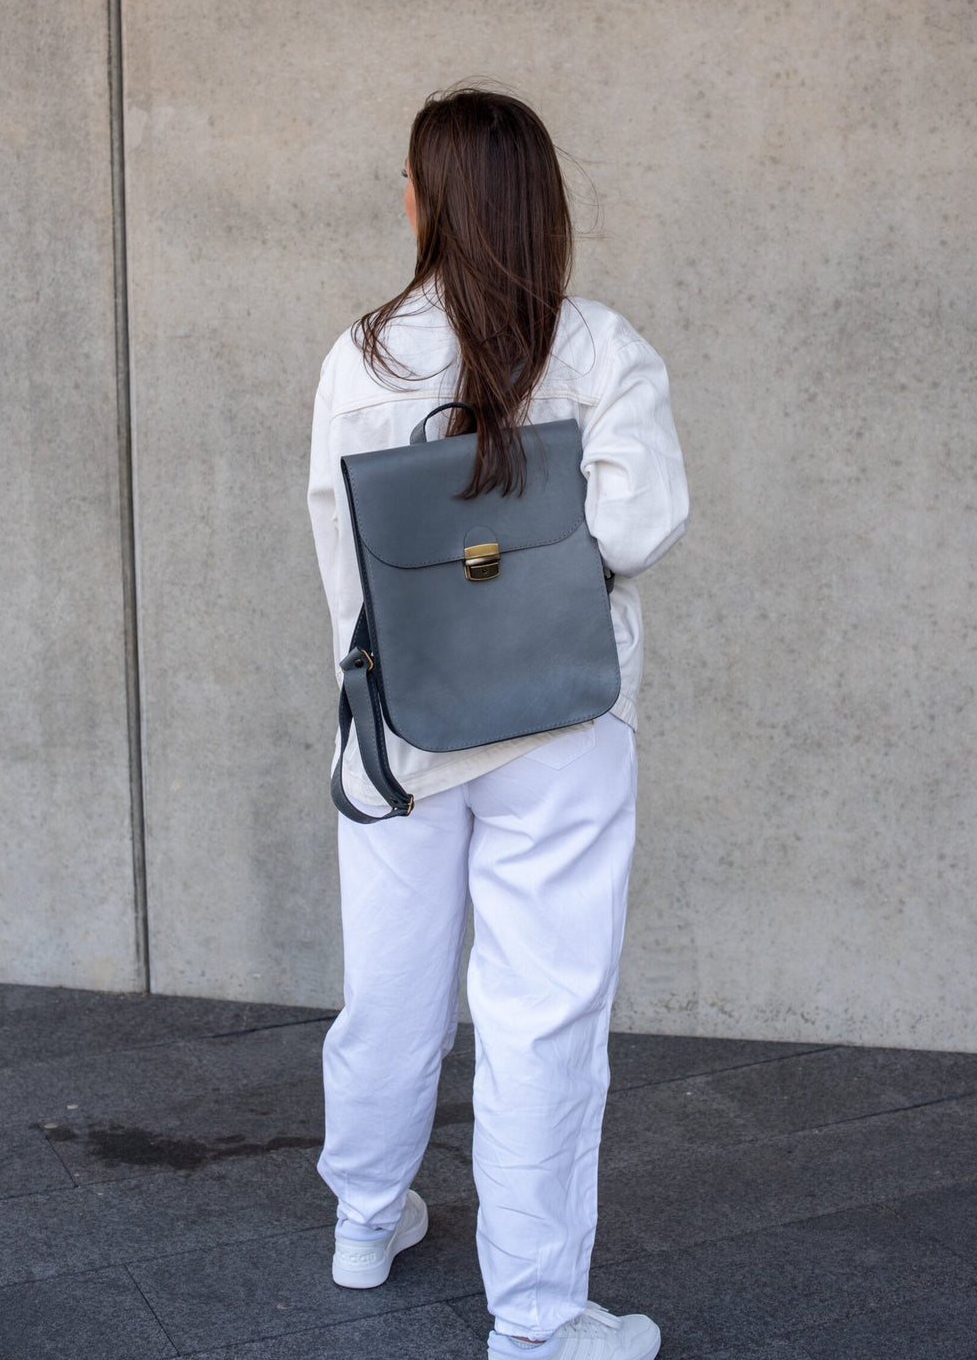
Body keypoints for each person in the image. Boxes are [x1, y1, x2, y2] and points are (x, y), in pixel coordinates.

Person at [307, 87, 688, 1360]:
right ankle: (534, 1321)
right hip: (562, 712)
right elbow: (637, 532)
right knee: (542, 1012)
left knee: (392, 980)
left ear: (423, 205)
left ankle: (366, 1216)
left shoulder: (359, 357)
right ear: (544, 207)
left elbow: (344, 560)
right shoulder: (598, 347)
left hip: (405, 720)